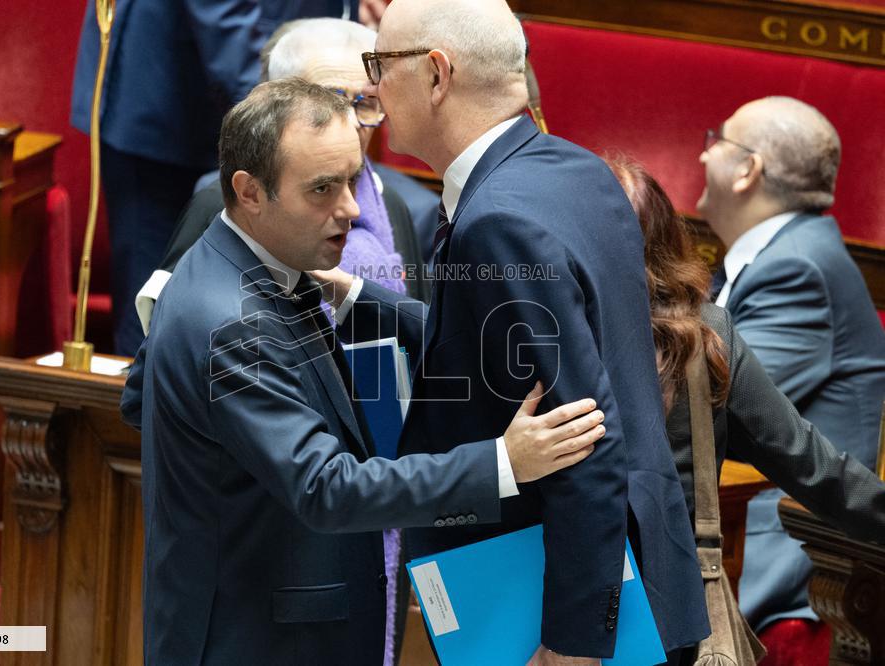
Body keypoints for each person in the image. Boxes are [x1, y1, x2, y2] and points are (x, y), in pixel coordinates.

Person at [120, 79, 607, 665]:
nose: (350, 210)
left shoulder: (231, 263)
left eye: (352, 180)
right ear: (249, 192)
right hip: (256, 642)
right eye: (322, 190)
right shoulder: (231, 322)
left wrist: (363, 301)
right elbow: (326, 487)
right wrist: (504, 463)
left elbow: (140, 395)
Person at [317, 1, 710, 662]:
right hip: (636, 578)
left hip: (559, 609)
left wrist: (572, 641)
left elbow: (584, 431)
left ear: (437, 74)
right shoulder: (575, 171)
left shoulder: (497, 219)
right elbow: (512, 347)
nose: (374, 88)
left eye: (379, 65)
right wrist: (361, 296)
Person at [608, 155, 884, 555]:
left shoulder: (533, 331)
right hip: (666, 590)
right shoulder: (704, 336)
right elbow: (806, 460)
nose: (703, 155)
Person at [71, 0, 361, 355]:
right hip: (168, 107)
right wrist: (286, 120)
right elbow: (223, 13)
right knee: (155, 313)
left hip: (241, 95)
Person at [697, 96, 885, 630]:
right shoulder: (783, 254)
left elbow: (714, 410)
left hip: (783, 553)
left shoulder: (797, 269)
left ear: (747, 171)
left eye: (717, 140)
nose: (702, 157)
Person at [133, 18, 429, 337]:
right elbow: (170, 331)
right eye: (330, 102)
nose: (351, 122)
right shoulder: (224, 201)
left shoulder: (390, 202)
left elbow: (419, 331)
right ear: (274, 106)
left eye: (366, 103)